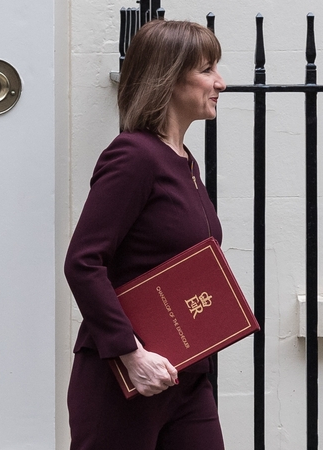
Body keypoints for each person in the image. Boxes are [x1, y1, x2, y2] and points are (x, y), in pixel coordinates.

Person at [63, 19, 227, 450]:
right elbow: (83, 261)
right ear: (169, 79)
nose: (220, 83)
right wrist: (129, 354)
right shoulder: (134, 155)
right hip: (122, 380)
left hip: (187, 378)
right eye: (207, 70)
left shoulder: (185, 162)